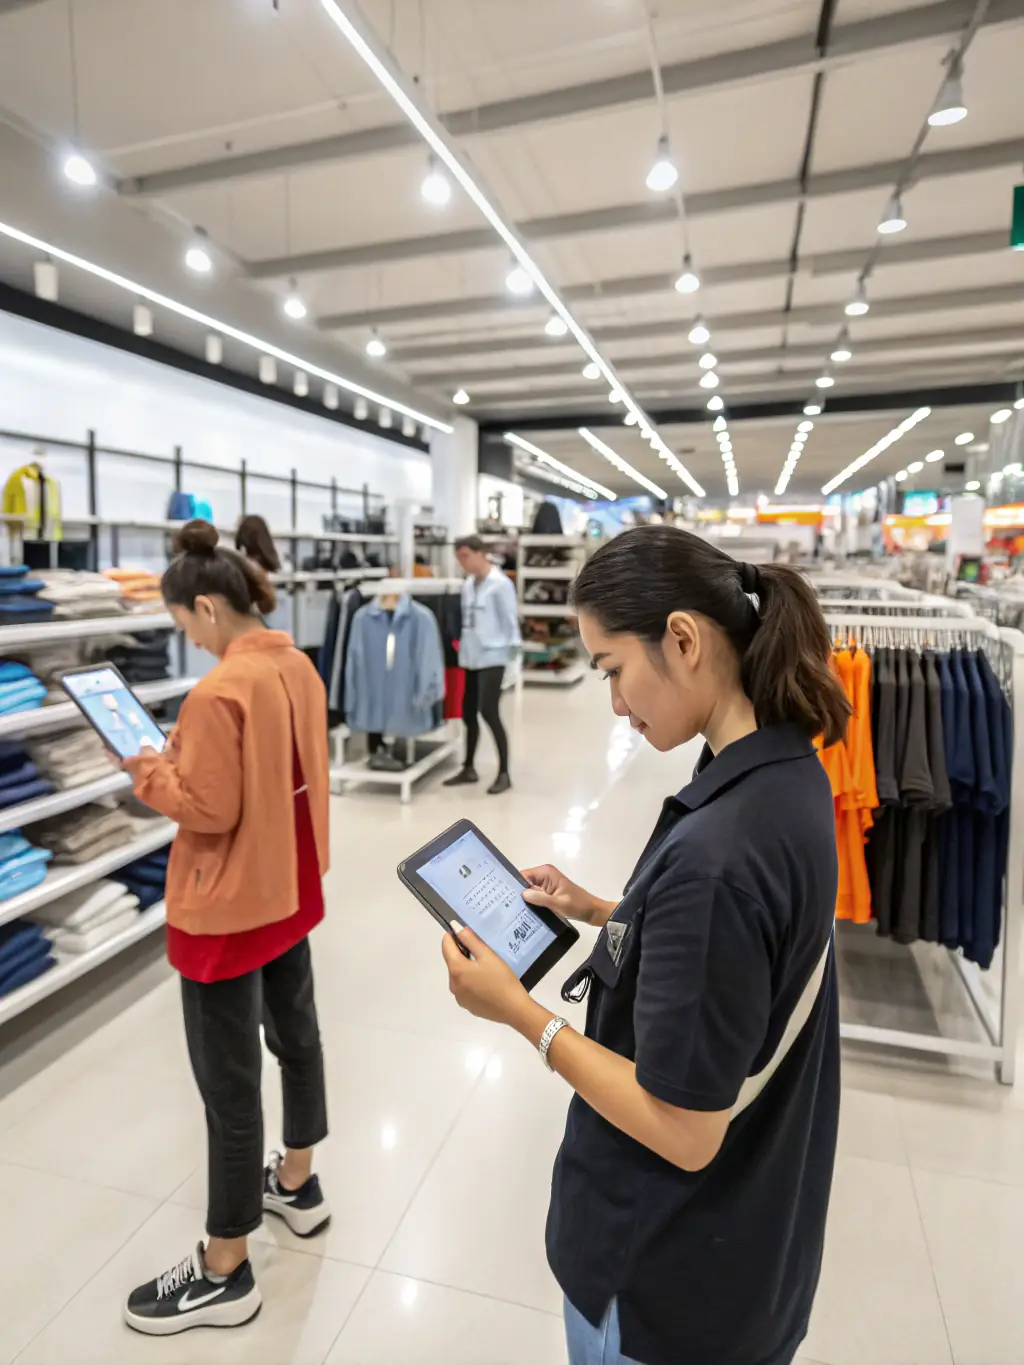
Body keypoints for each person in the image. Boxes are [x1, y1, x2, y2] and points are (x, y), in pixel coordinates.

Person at [440, 524, 849, 1365]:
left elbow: (684, 1126)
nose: (618, 705)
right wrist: (597, 906)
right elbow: (740, 956)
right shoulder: (787, 774)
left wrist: (522, 1015)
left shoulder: (718, 856)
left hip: (664, 1281)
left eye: (614, 670)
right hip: (748, 1249)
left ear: (686, 639)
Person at [120, 521, 331, 1336]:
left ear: (205, 607)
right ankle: (299, 1183)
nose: (191, 642)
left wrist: (147, 763)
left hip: (228, 906)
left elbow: (209, 807)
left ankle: (226, 1264)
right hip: (291, 884)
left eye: (185, 627)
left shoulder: (218, 693)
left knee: (228, 1086)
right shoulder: (297, 665)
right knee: (298, 1036)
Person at [444, 534, 520, 795]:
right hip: (471, 656)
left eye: (465, 556)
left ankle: (504, 773)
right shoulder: (468, 585)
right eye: (459, 558)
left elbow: (511, 624)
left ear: (480, 553)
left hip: (494, 656)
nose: (462, 562)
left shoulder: (500, 584)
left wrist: (513, 662)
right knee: (468, 712)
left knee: (489, 711)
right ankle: (468, 768)